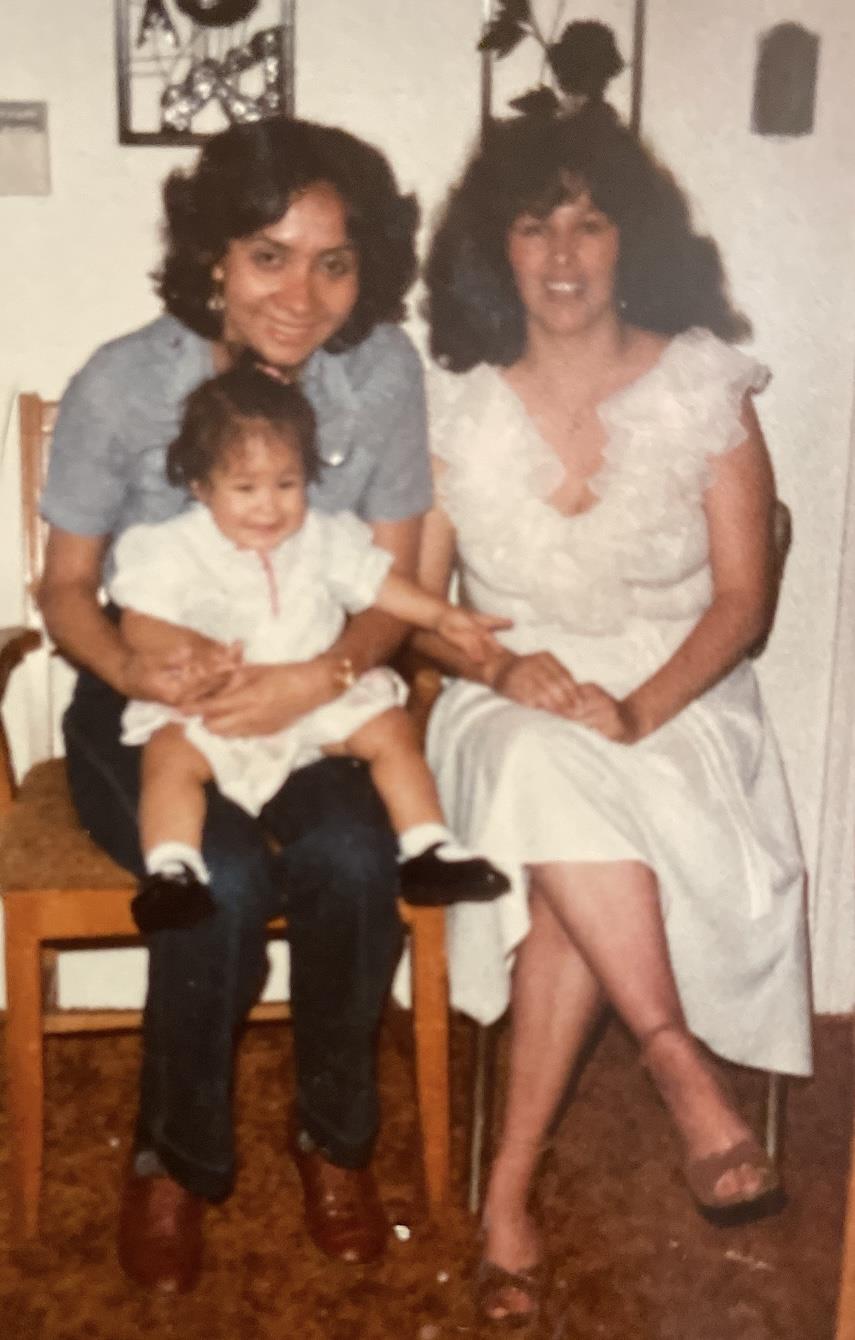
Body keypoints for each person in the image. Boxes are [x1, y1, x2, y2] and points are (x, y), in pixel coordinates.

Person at [417, 103, 812, 1325]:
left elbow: (743, 602)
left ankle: (508, 1196)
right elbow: (420, 613)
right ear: (499, 246)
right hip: (506, 697)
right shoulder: (458, 406)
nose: (565, 252)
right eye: (536, 224)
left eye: (590, 221)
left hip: (682, 695)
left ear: (629, 238)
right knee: (543, 761)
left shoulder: (702, 382)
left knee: (566, 876)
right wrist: (498, 671)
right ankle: (679, 1060)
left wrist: (638, 708)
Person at [38, 114, 438, 1290]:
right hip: (153, 714)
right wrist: (135, 671)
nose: (301, 294)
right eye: (270, 253)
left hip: (316, 700)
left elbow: (393, 588)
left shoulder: (383, 374)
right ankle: (176, 1159)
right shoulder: (124, 381)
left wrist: (314, 678)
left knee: (359, 854)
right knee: (223, 873)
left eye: (333, 260)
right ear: (213, 253)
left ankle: (337, 1140)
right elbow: (66, 588)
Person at [111, 361, 510, 933]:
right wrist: (192, 649)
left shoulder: (324, 538)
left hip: (316, 702)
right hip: (219, 702)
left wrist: (443, 615)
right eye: (244, 488)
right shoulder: (171, 548)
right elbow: (140, 623)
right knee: (169, 754)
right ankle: (172, 869)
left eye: (287, 484)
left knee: (390, 729)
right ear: (201, 486)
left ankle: (428, 847)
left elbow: (381, 585)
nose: (269, 507)